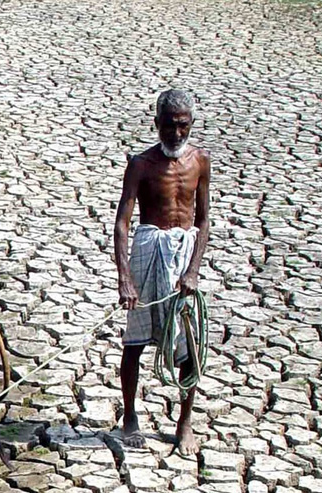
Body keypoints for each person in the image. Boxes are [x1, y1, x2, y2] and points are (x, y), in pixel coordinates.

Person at [113, 89, 211, 456]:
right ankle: (130, 416)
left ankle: (184, 422)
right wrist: (125, 277)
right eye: (168, 126)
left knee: (188, 343)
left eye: (182, 126)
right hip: (148, 248)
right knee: (134, 343)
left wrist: (193, 271)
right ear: (156, 125)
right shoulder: (141, 164)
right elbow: (122, 223)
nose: (175, 134)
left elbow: (202, 220)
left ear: (191, 125)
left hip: (184, 253)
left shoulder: (200, 161)